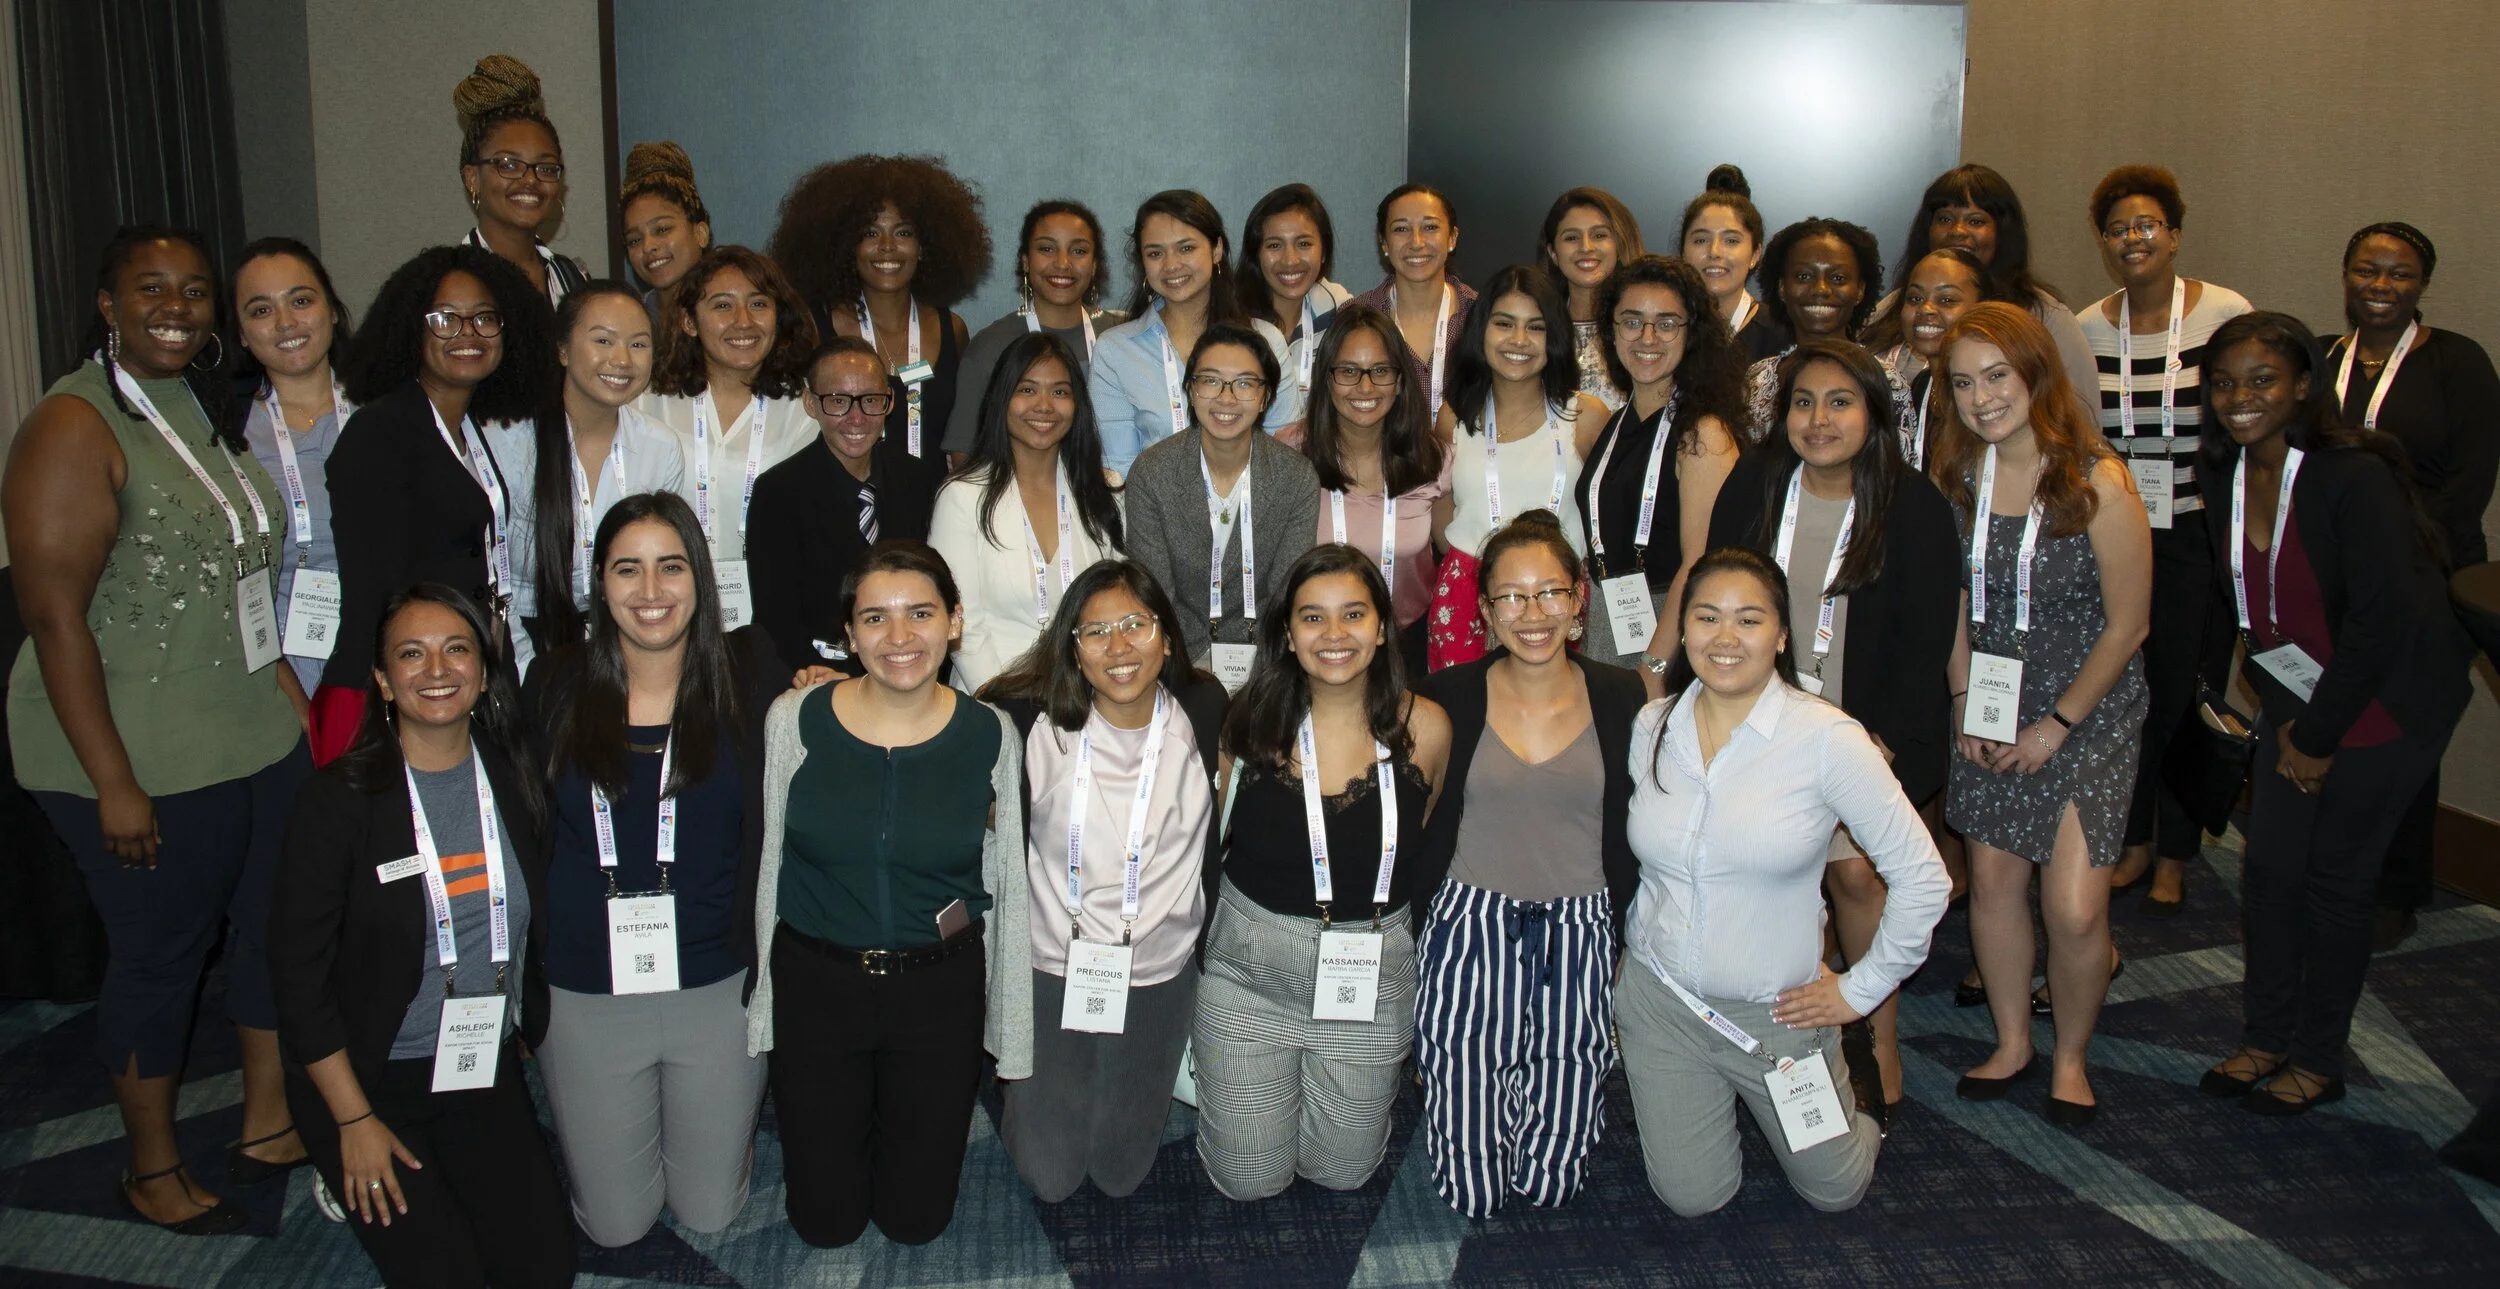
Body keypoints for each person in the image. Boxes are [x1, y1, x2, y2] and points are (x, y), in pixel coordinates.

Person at [5, 226, 312, 1233]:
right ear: (107, 304)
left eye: (192, 291)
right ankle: (149, 1164)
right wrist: (113, 782)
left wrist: (283, 691)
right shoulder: (70, 422)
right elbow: (54, 619)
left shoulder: (195, 400)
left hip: (247, 725)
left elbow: (239, 566)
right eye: (150, 289)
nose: (175, 306)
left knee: (270, 927)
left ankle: (267, 1121)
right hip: (136, 750)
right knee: (160, 958)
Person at [2192, 313, 2474, 1114]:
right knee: (2271, 873)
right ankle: (2265, 1037)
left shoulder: (2351, 475)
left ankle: (2319, 1058)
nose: (2240, 398)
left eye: (2261, 380)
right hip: (2295, 703)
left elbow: (2380, 624)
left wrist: (2316, 735)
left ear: (2305, 385)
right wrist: (2288, 719)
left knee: (2335, 885)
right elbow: (2256, 607)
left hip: (2385, 705)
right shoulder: (2224, 469)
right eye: (2223, 383)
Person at [1617, 547, 1948, 1216]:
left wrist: (1858, 991)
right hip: (1662, 1000)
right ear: (1682, 631)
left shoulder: (1825, 739)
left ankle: (1851, 1066)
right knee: (1692, 1198)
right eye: (1707, 617)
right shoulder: (1654, 728)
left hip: (1780, 1014)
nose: (1725, 638)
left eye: (1749, 619)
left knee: (1835, 1190)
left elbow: (1925, 879)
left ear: (1781, 634)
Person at [268, 584, 573, 1286]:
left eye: (456, 648)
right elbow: (296, 979)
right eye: (411, 653)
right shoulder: (337, 802)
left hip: (480, 1060)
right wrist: (352, 1121)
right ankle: (334, 1166)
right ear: (381, 679)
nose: (436, 669)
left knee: (544, 1269)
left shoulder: (516, 773)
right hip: (373, 1075)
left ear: (485, 669)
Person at [744, 541, 1033, 1247]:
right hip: (819, 982)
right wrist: (766, 1005)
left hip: (937, 989)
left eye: (921, 613)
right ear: (848, 633)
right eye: (875, 617)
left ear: (955, 621)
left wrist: (1011, 1032)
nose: (899, 637)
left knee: (916, 1221)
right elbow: (767, 863)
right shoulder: (795, 718)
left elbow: (1008, 883)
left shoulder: (990, 733)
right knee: (826, 1223)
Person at [1704, 339, 1962, 1118]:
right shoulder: (1756, 479)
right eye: (1804, 402)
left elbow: (1925, 637)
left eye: (1840, 402)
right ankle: (1787, 1039)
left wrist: (1880, 735)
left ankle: (1875, 1030)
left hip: (1865, 728)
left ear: (1874, 414)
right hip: (1761, 719)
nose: (1819, 420)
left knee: (1856, 877)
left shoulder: (1911, 504)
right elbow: (1719, 590)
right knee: (1779, 884)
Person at [522, 492, 784, 1243]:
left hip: (715, 980)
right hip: (588, 985)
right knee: (615, 1225)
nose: (650, 591)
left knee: (709, 1212)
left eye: (670, 567)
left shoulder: (749, 672)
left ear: (700, 577)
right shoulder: (555, 683)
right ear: (599, 583)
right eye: (627, 569)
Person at [1936, 302, 2151, 1127]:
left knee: (2073, 907)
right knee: (1992, 882)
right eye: (1963, 382)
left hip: (2084, 710)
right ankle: (2014, 1039)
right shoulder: (1958, 481)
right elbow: (1954, 602)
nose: (1982, 397)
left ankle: (2071, 1057)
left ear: (2036, 374)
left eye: (1997, 375)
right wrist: (1963, 700)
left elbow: (2131, 623)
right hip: (1987, 702)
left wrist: (2054, 724)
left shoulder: (2097, 477)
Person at [1193, 544, 1452, 1199]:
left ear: (1382, 626)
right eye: (1313, 617)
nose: (1334, 634)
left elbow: (1417, 841)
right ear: (1287, 631)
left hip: (1366, 972)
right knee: (1249, 1180)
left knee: (1341, 1174)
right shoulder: (1246, 723)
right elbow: (1216, 841)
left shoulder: (1427, 726)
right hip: (1250, 971)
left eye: (1353, 614)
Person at [1409, 512, 1645, 1217]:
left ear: (1580, 601)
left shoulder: (1626, 697)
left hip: (1581, 925)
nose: (1532, 613)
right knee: (1471, 1191)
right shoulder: (1442, 698)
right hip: (1469, 924)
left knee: (1551, 1181)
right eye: (1511, 597)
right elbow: (1409, 824)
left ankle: (1533, 1080)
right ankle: (1472, 1071)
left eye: (1549, 593)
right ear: (1484, 612)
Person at [980, 559, 1226, 1201]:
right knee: (1051, 1178)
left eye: (1135, 625)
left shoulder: (1203, 710)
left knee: (1120, 1175)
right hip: (1053, 965)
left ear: (1167, 637)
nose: (1119, 648)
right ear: (1072, 649)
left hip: (1162, 968)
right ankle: (1020, 1095)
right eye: (1095, 632)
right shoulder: (1025, 721)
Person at [2074, 165, 2253, 915]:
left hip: (2196, 538)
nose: (2132, 239)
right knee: (2126, 693)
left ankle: (2178, 849)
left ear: (2174, 234)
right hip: (2120, 538)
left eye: (2147, 225)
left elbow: (2246, 409)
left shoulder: (2222, 312)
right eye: (2118, 229)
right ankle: (2134, 838)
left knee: (2186, 692)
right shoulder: (2087, 326)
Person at [2320, 222, 2500, 948]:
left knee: (2404, 738)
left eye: (2399, 275)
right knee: (2343, 725)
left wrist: (2399, 559)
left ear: (2421, 285)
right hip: (2341, 577)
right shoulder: (2325, 360)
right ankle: (2341, 872)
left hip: (2432, 580)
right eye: (2368, 270)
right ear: (2347, 275)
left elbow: (2469, 487)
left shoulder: (2457, 363)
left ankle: (2397, 888)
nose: (2382, 286)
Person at [324, 244, 553, 754]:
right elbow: (373, 593)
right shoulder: (379, 433)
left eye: (484, 318)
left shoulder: (466, 428)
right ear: (412, 327)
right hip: (404, 696)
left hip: (469, 675)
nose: (468, 333)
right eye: (445, 319)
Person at [1429, 265, 1607, 671]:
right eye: (1504, 324)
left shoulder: (1587, 416)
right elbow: (1442, 514)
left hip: (1557, 600)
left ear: (1555, 337)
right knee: (1468, 724)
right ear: (1482, 332)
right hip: (1468, 597)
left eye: (1536, 327)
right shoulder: (1453, 417)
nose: (1519, 341)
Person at [769, 153, 987, 485]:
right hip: (842, 510)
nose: (887, 247)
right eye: (870, 233)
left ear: (924, 246)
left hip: (931, 515)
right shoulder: (813, 327)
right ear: (846, 245)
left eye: (903, 233)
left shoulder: (952, 330)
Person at [1122, 325, 1320, 688]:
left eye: (1245, 384)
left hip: (1267, 658)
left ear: (1265, 398)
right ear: (1191, 390)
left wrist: (1265, 671)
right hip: (1177, 657)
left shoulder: (1296, 478)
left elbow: (1285, 593)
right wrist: (1187, 673)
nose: (1226, 398)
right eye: (1211, 381)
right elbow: (1154, 597)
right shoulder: (1152, 474)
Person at [1575, 256, 1743, 674]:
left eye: (1667, 323)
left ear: (1691, 335)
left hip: (1669, 628)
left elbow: (1700, 565)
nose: (1647, 337)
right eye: (1632, 321)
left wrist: (1654, 663)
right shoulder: (1617, 421)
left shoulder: (1703, 433)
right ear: (1611, 333)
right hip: (1607, 617)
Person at [931, 332, 1126, 692]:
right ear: (1001, 399)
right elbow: (963, 626)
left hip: (1092, 696)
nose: (1044, 405)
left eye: (1060, 392)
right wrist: (1008, 705)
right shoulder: (962, 497)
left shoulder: (1106, 491)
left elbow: (1120, 604)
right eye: (1026, 389)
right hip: (993, 698)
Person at [637, 246, 822, 610]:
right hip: (665, 606)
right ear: (690, 322)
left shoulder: (807, 409)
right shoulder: (649, 403)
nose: (743, 322)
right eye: (722, 305)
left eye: (758, 304)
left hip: (777, 607)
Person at [750, 337, 945, 672]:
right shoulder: (778, 491)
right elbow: (775, 619)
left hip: (910, 668)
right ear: (811, 403)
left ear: (889, 402)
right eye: (839, 401)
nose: (857, 418)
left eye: (870, 400)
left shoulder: (920, 480)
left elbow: (938, 593)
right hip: (818, 677)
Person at [514, 282, 685, 651]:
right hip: (525, 640)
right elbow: (497, 577)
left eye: (638, 344)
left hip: (628, 636)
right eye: (603, 341)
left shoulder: (660, 447)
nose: (622, 359)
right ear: (562, 349)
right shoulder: (511, 440)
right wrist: (529, 670)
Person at [1285, 303, 1450, 673]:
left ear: (1401, 380)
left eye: (1379, 371)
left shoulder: (1435, 460)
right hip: (1320, 646)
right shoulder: (1288, 456)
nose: (1365, 387)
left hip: (1409, 647)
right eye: (1348, 371)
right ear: (1327, 379)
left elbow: (1459, 561)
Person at [233, 237, 357, 698]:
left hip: (389, 650)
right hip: (276, 665)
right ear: (242, 334)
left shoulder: (388, 409)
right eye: (261, 310)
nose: (286, 323)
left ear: (332, 309)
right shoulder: (226, 435)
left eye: (301, 301)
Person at [1091, 190, 1292, 474]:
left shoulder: (1267, 340)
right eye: (1155, 253)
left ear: (1216, 249)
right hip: (1152, 515)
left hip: (1252, 513)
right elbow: (1119, 470)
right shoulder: (1115, 350)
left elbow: (1285, 455)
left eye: (1186, 248)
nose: (1171, 265)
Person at [1870, 164, 2098, 399]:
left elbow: (2080, 414)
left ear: (2003, 232)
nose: (1957, 231)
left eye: (1976, 221)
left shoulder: (2045, 316)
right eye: (1945, 219)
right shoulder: (1893, 308)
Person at [942, 200, 1123, 458]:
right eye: (1047, 249)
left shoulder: (1122, 336)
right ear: (1025, 261)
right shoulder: (991, 346)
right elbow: (965, 454)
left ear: (1094, 265)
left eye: (1079, 251)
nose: (1063, 263)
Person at [1744, 218, 1913, 445]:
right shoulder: (1757, 379)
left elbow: (1898, 475)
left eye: (1838, 278)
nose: (1821, 289)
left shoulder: (1887, 383)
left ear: (1860, 290)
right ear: (1782, 287)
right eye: (1804, 276)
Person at [451, 55, 586, 306]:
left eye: (545, 168)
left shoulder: (571, 280)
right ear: (472, 178)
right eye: (509, 165)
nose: (530, 180)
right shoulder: (448, 283)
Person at [1353, 184, 1475, 424]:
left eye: (1430, 227)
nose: (1416, 242)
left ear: (1452, 238)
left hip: (1469, 459)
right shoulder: (1356, 317)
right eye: (1401, 229)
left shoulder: (1482, 314)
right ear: (1384, 243)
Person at [1880, 247, 2011, 470]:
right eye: (1915, 298)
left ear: (1983, 306)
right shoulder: (1919, 388)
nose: (1926, 309)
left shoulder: (1998, 393)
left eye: (1947, 300)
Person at [1238, 183, 1355, 430]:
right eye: (1274, 245)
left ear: (1323, 251)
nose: (1290, 260)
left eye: (1303, 244)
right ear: (1255, 255)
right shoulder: (1231, 318)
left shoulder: (1340, 308)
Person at [1541, 187, 1643, 410]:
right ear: (1553, 253)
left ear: (1619, 244)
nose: (1586, 247)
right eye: (1571, 237)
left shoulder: (1644, 328)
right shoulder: (1537, 327)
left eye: (1599, 235)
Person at [1679, 165, 1786, 364]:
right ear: (1683, 252)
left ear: (1755, 254)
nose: (1714, 252)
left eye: (1731, 241)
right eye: (1701, 240)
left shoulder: (1781, 335)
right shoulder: (1665, 327)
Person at [618, 141, 713, 320]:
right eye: (635, 240)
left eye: (662, 230)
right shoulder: (632, 322)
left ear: (701, 234)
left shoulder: (733, 315)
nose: (648, 246)